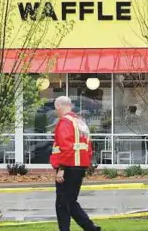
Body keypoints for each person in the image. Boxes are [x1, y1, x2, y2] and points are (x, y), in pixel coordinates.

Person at [50, 96, 101, 231]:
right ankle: (90, 228)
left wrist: (61, 168)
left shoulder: (65, 122)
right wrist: (87, 164)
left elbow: (65, 146)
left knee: (62, 204)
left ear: (59, 106)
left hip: (67, 166)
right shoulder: (80, 122)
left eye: (57, 109)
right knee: (71, 202)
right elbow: (88, 146)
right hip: (79, 166)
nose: (57, 112)